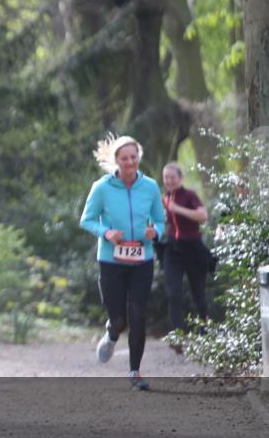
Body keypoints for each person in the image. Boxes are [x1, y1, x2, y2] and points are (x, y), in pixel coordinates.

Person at [80, 134, 165, 391]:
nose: (130, 162)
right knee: (119, 319)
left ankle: (135, 371)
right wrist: (107, 233)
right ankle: (112, 332)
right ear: (116, 160)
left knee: (138, 315)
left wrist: (155, 232)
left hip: (142, 258)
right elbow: (87, 219)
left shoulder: (150, 186)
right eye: (124, 158)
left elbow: (160, 220)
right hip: (111, 261)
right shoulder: (102, 187)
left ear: (138, 157)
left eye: (133, 157)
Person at [161, 162, 211, 342]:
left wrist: (178, 210)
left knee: (198, 293)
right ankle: (177, 334)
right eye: (166, 177)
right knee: (173, 293)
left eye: (172, 177)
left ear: (180, 179)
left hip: (193, 248)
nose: (169, 180)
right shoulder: (164, 198)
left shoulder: (189, 195)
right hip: (173, 249)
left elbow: (203, 215)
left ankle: (205, 330)